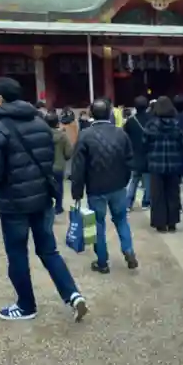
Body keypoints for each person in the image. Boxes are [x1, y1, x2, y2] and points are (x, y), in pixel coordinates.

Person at [0, 77, 87, 321]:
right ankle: (73, 294)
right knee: (49, 251)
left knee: (17, 254)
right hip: (42, 198)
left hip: (14, 203)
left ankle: (26, 306)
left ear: (0, 99)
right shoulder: (39, 122)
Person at [71, 98, 138, 273]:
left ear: (91, 114)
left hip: (96, 188)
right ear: (110, 113)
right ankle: (128, 250)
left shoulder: (85, 135)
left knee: (98, 224)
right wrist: (124, 179)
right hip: (118, 186)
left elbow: (78, 167)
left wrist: (77, 191)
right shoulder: (120, 133)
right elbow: (130, 160)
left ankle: (102, 262)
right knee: (121, 220)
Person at [143, 96, 183, 233]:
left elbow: (145, 143)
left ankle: (160, 223)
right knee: (173, 193)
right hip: (174, 164)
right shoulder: (176, 125)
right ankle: (172, 222)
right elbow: (181, 144)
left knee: (157, 195)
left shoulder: (151, 125)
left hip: (156, 164)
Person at [124, 95, 151, 211]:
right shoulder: (152, 120)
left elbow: (125, 138)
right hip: (149, 155)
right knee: (148, 181)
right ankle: (146, 202)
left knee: (133, 181)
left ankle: (128, 203)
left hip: (134, 155)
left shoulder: (130, 121)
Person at [44, 111, 73, 215]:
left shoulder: (42, 135)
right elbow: (69, 153)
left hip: (45, 167)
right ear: (57, 123)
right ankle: (58, 207)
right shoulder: (63, 136)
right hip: (59, 166)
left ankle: (47, 206)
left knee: (45, 187)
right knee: (59, 186)